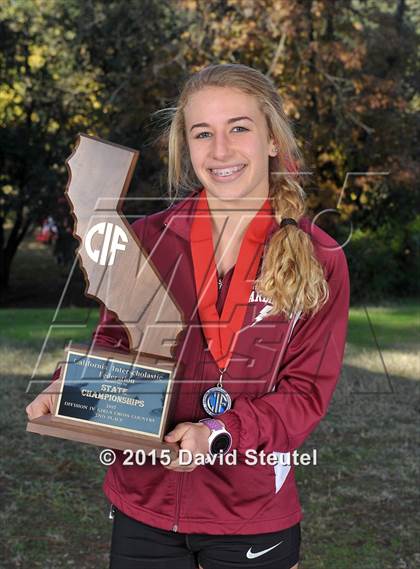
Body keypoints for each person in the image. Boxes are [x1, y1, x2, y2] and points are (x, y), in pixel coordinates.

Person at [26, 63, 350, 569]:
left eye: (238, 127)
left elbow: (305, 395)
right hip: (144, 501)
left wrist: (218, 431)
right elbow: (117, 343)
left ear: (271, 139)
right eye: (203, 133)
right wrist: (68, 388)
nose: (220, 150)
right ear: (187, 146)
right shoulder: (149, 239)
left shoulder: (321, 257)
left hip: (250, 511)